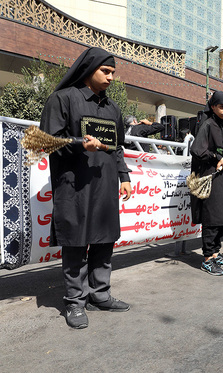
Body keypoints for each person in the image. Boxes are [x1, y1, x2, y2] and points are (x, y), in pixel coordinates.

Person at [39, 47, 132, 329]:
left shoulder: (112, 108)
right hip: (74, 186)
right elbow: (46, 141)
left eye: (113, 72)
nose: (111, 77)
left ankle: (100, 294)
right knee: (76, 243)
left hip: (105, 186)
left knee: (104, 240)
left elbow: (117, 148)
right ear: (89, 69)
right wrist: (80, 143)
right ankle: (75, 302)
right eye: (106, 71)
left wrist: (124, 176)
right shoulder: (62, 99)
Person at [190, 91, 223, 275]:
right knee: (211, 218)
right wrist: (215, 157)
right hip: (210, 176)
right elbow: (197, 150)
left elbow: (220, 148)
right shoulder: (208, 124)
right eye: (221, 107)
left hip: (222, 177)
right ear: (212, 107)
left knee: (222, 217)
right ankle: (207, 258)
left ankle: (216, 253)